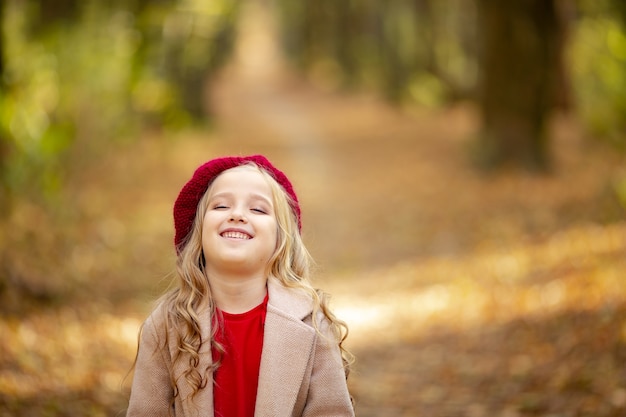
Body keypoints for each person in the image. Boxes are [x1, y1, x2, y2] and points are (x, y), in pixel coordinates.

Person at [127, 155, 354, 417]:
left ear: (282, 239)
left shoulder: (313, 322)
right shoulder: (166, 324)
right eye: (221, 206)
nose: (237, 215)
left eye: (258, 209)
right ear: (196, 232)